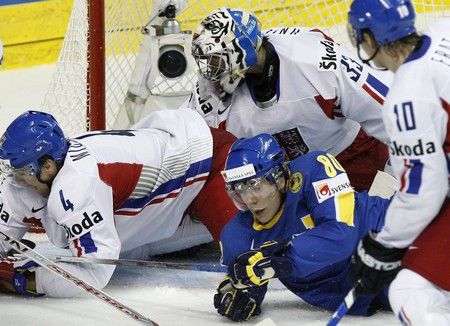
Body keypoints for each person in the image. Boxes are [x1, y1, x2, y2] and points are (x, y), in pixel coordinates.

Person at [0, 108, 237, 297]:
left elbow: (93, 272)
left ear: (48, 166)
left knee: (245, 254)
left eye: (21, 169)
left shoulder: (79, 185)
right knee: (140, 247)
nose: (14, 177)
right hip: (163, 207)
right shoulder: (31, 179)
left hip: (208, 164)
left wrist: (25, 281)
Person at [186, 7, 393, 192]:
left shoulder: (315, 61)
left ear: (240, 53)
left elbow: (386, 111)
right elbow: (191, 148)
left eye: (216, 60)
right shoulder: (210, 94)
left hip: (352, 155)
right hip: (280, 181)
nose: (210, 71)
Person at [213, 133, 393, 322]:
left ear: (279, 179)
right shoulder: (237, 237)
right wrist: (240, 291)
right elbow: (247, 279)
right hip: (365, 296)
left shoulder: (315, 168)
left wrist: (279, 260)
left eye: (254, 185)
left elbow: (341, 234)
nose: (249, 199)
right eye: (240, 189)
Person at [347, 1, 450, 324]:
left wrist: (385, 244)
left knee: (410, 291)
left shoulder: (406, 97)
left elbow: (423, 191)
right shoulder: (445, 28)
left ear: (370, 39)